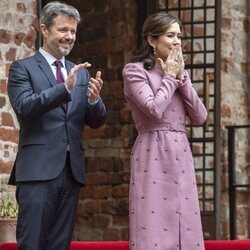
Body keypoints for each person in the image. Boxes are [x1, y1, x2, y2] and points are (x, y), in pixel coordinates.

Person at [7, 1, 106, 250]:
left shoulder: (80, 72)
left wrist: (94, 100)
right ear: (44, 29)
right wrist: (65, 89)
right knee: (32, 244)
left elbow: (96, 121)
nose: (69, 37)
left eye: (73, 31)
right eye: (63, 30)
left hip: (70, 173)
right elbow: (24, 107)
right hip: (37, 172)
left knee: (59, 245)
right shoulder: (23, 68)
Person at [122, 12, 207, 250]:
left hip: (180, 150)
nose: (178, 41)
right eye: (171, 35)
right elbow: (154, 110)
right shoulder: (134, 71)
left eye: (179, 35)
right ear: (152, 40)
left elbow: (200, 116)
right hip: (152, 150)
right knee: (153, 223)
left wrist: (182, 78)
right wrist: (169, 77)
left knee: (185, 222)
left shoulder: (179, 74)